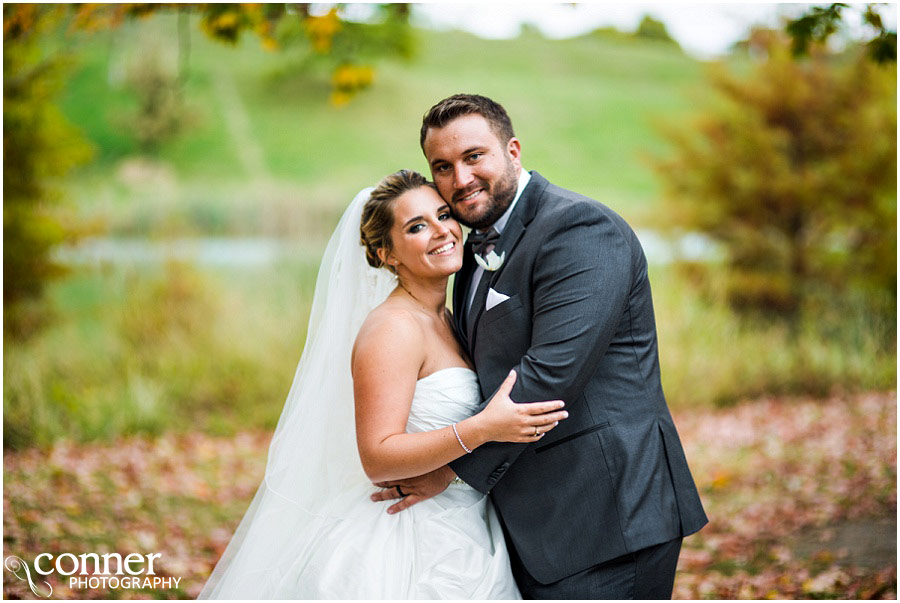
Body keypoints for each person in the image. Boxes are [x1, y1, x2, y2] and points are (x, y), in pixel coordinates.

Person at [371, 94, 709, 599]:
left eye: (473, 157)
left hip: (608, 515)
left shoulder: (579, 228)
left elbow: (549, 376)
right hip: (531, 525)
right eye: (442, 166)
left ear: (513, 150)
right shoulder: (471, 252)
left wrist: (451, 472)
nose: (460, 179)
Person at [199, 170, 567, 598]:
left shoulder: (447, 316)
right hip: (407, 540)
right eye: (416, 227)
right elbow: (378, 457)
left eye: (443, 215)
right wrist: (482, 428)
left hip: (466, 523)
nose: (442, 231)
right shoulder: (392, 329)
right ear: (387, 254)